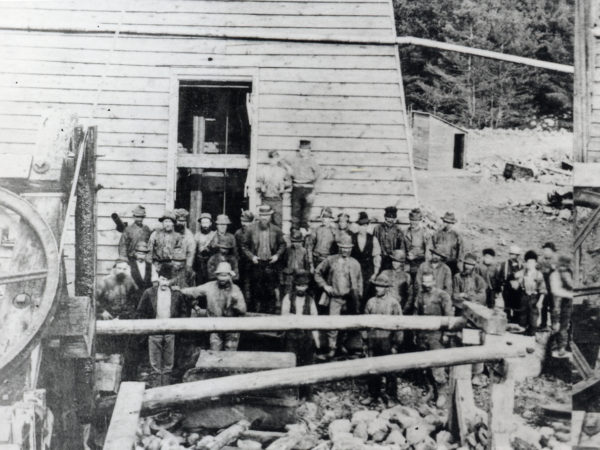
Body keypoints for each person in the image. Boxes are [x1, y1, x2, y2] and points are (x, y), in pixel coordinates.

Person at [137, 264, 189, 387]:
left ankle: (165, 389)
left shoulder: (177, 294)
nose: (165, 283)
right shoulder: (149, 293)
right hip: (154, 332)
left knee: (168, 364)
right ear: (158, 279)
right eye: (162, 279)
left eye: (168, 280)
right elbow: (140, 312)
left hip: (170, 333)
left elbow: (184, 312)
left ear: (172, 281)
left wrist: (177, 326)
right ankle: (156, 389)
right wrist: (148, 327)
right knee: (155, 364)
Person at [177, 262, 247, 351]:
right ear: (216, 276)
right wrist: (179, 290)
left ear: (230, 276)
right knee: (215, 349)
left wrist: (235, 302)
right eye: (220, 275)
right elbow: (194, 291)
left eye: (225, 275)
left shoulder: (236, 290)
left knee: (230, 352)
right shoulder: (210, 286)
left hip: (232, 326)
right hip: (215, 324)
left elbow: (243, 310)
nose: (222, 278)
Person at [314, 234, 363, 358]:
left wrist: (358, 298)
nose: (346, 250)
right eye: (343, 247)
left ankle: (342, 345)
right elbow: (317, 273)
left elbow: (359, 282)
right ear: (339, 247)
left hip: (350, 299)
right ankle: (332, 348)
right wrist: (325, 286)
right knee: (333, 325)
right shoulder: (331, 260)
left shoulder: (355, 263)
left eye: (348, 248)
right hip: (335, 298)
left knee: (347, 324)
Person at [361, 273, 403, 407]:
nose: (378, 289)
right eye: (377, 286)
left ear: (387, 288)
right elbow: (364, 323)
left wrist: (396, 344)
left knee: (390, 370)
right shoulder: (371, 302)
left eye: (381, 286)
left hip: (387, 340)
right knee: (373, 369)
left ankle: (391, 396)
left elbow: (399, 325)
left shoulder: (393, 303)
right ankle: (373, 394)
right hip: (373, 340)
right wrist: (365, 341)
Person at [413, 272, 453, 408]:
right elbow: (415, 313)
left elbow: (449, 316)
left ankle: (442, 393)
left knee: (437, 365)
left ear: (434, 281)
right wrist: (415, 333)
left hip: (436, 334)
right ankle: (430, 390)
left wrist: (446, 333)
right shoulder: (420, 294)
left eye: (429, 282)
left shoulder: (443, 295)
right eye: (424, 282)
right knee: (424, 366)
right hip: (422, 334)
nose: (426, 285)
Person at [96, 257, 140, 380]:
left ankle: (127, 379)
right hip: (107, 321)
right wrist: (102, 311)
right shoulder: (104, 281)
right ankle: (109, 382)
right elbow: (94, 300)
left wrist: (125, 316)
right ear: (114, 268)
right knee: (109, 352)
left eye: (124, 269)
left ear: (128, 270)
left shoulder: (130, 281)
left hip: (123, 319)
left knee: (127, 351)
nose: (121, 271)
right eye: (119, 268)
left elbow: (135, 300)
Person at [280, 270, 319, 399]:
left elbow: (315, 319)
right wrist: (298, 318)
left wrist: (316, 340)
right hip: (291, 336)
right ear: (295, 286)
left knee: (307, 364)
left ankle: (306, 394)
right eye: (299, 285)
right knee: (291, 363)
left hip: (306, 337)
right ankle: (291, 393)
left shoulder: (310, 300)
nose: (301, 288)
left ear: (307, 287)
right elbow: (284, 316)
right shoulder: (288, 298)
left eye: (304, 286)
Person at [241, 205, 286, 313]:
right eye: (262, 215)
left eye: (267, 215)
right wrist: (252, 257)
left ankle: (269, 316)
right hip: (256, 264)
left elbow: (282, 245)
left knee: (270, 291)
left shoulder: (276, 230)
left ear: (270, 216)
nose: (264, 218)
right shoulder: (251, 229)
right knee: (255, 291)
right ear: (259, 216)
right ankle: (255, 316)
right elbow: (243, 245)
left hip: (270, 264)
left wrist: (277, 256)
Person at [287, 139, 322, 231]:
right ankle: (295, 234)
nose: (303, 152)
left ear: (309, 150)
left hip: (308, 189)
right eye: (301, 150)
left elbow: (319, 177)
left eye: (305, 150)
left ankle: (304, 234)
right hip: (296, 189)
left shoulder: (313, 161)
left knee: (306, 214)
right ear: (299, 150)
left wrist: (314, 192)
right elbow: (281, 162)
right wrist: (288, 169)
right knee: (295, 213)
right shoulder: (294, 160)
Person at [351, 211, 382, 308]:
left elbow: (377, 257)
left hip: (368, 271)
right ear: (357, 226)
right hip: (354, 271)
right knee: (354, 295)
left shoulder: (373, 239)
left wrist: (375, 273)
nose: (362, 228)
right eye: (360, 225)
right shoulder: (352, 238)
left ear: (368, 226)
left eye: (364, 225)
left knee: (367, 295)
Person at [256, 150, 291, 228]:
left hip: (277, 200)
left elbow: (289, 183)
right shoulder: (263, 170)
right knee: (265, 222)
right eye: (271, 158)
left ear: (278, 159)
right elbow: (257, 183)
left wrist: (283, 187)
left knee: (278, 222)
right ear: (268, 159)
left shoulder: (282, 171)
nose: (273, 160)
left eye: (275, 158)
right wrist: (261, 187)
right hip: (266, 199)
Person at [550, 255, 573, 357]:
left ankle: (562, 347)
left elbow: (573, 286)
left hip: (567, 303)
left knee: (564, 326)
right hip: (557, 303)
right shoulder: (555, 275)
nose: (563, 268)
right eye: (562, 266)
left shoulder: (568, 274)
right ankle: (554, 347)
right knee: (556, 326)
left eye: (566, 266)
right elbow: (555, 291)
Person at [494, 245, 524, 322]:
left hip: (517, 288)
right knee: (507, 304)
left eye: (514, 254)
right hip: (507, 287)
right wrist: (498, 288)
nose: (512, 256)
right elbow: (499, 276)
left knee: (516, 304)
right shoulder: (504, 264)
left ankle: (516, 319)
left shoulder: (521, 265)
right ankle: (507, 319)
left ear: (518, 255)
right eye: (511, 254)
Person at [520, 250, 546, 335]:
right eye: (528, 262)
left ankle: (532, 332)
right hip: (524, 297)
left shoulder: (538, 274)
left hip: (534, 298)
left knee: (533, 316)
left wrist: (540, 302)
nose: (529, 264)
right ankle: (524, 330)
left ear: (535, 263)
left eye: (532, 262)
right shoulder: (523, 274)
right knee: (523, 316)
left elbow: (542, 290)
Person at [403, 208, 432, 288]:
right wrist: (406, 259)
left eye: (416, 220)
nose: (413, 222)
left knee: (418, 285)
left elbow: (428, 253)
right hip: (408, 264)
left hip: (420, 264)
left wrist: (417, 257)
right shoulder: (405, 232)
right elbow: (402, 249)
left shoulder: (425, 233)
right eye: (411, 220)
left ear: (420, 221)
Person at [380, 249, 413, 314]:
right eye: (393, 260)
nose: (393, 263)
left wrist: (404, 310)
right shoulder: (385, 273)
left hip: (400, 307)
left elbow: (410, 296)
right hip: (385, 307)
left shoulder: (406, 276)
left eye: (397, 261)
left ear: (402, 263)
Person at [281, 229, 312, 296]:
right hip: (289, 275)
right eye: (294, 242)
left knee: (299, 293)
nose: (296, 244)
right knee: (288, 293)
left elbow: (307, 265)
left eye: (298, 242)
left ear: (301, 242)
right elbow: (283, 263)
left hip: (300, 275)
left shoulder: (304, 251)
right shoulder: (287, 250)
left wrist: (305, 273)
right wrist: (283, 276)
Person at [373, 206, 404, 271]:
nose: (391, 220)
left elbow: (401, 246)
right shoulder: (377, 228)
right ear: (385, 217)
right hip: (381, 259)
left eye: (393, 218)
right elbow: (374, 245)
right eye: (389, 217)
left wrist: (397, 258)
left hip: (394, 260)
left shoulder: (398, 229)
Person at [235, 210, 254, 301]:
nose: (244, 224)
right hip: (242, 263)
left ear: (252, 222)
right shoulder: (238, 233)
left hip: (254, 263)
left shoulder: (256, 233)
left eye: (247, 222)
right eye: (242, 221)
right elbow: (235, 249)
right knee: (242, 284)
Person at [539, 242, 557, 330]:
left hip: (553, 287)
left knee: (553, 306)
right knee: (543, 305)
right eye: (544, 250)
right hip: (544, 287)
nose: (545, 252)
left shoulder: (556, 261)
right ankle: (543, 324)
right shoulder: (541, 261)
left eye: (547, 250)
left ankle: (554, 324)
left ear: (552, 251)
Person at [194, 212, 216, 285]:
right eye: (203, 223)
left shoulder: (214, 235)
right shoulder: (197, 236)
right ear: (200, 224)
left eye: (207, 222)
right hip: (200, 265)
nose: (205, 225)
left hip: (212, 264)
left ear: (210, 223)